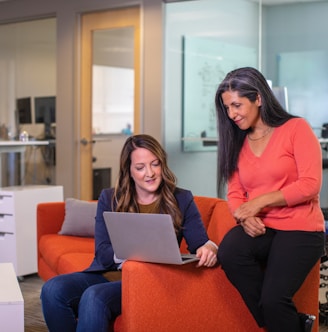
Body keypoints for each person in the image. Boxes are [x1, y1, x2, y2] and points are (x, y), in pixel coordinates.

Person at [40, 134, 218, 332]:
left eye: (155, 164)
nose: (149, 173)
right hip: (109, 274)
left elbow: (200, 243)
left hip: (150, 280)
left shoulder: (182, 199)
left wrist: (210, 247)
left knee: (94, 297)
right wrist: (128, 253)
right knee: (52, 290)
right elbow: (102, 251)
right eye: (140, 168)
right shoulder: (110, 198)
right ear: (129, 171)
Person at [215, 67, 325, 332]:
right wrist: (245, 215)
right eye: (227, 108)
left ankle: (277, 314)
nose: (232, 114)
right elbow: (234, 192)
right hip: (264, 227)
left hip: (301, 229)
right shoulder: (236, 141)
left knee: (274, 299)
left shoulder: (296, 128)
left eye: (237, 105)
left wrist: (260, 202)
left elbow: (311, 185)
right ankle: (293, 324)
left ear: (259, 99)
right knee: (229, 250)